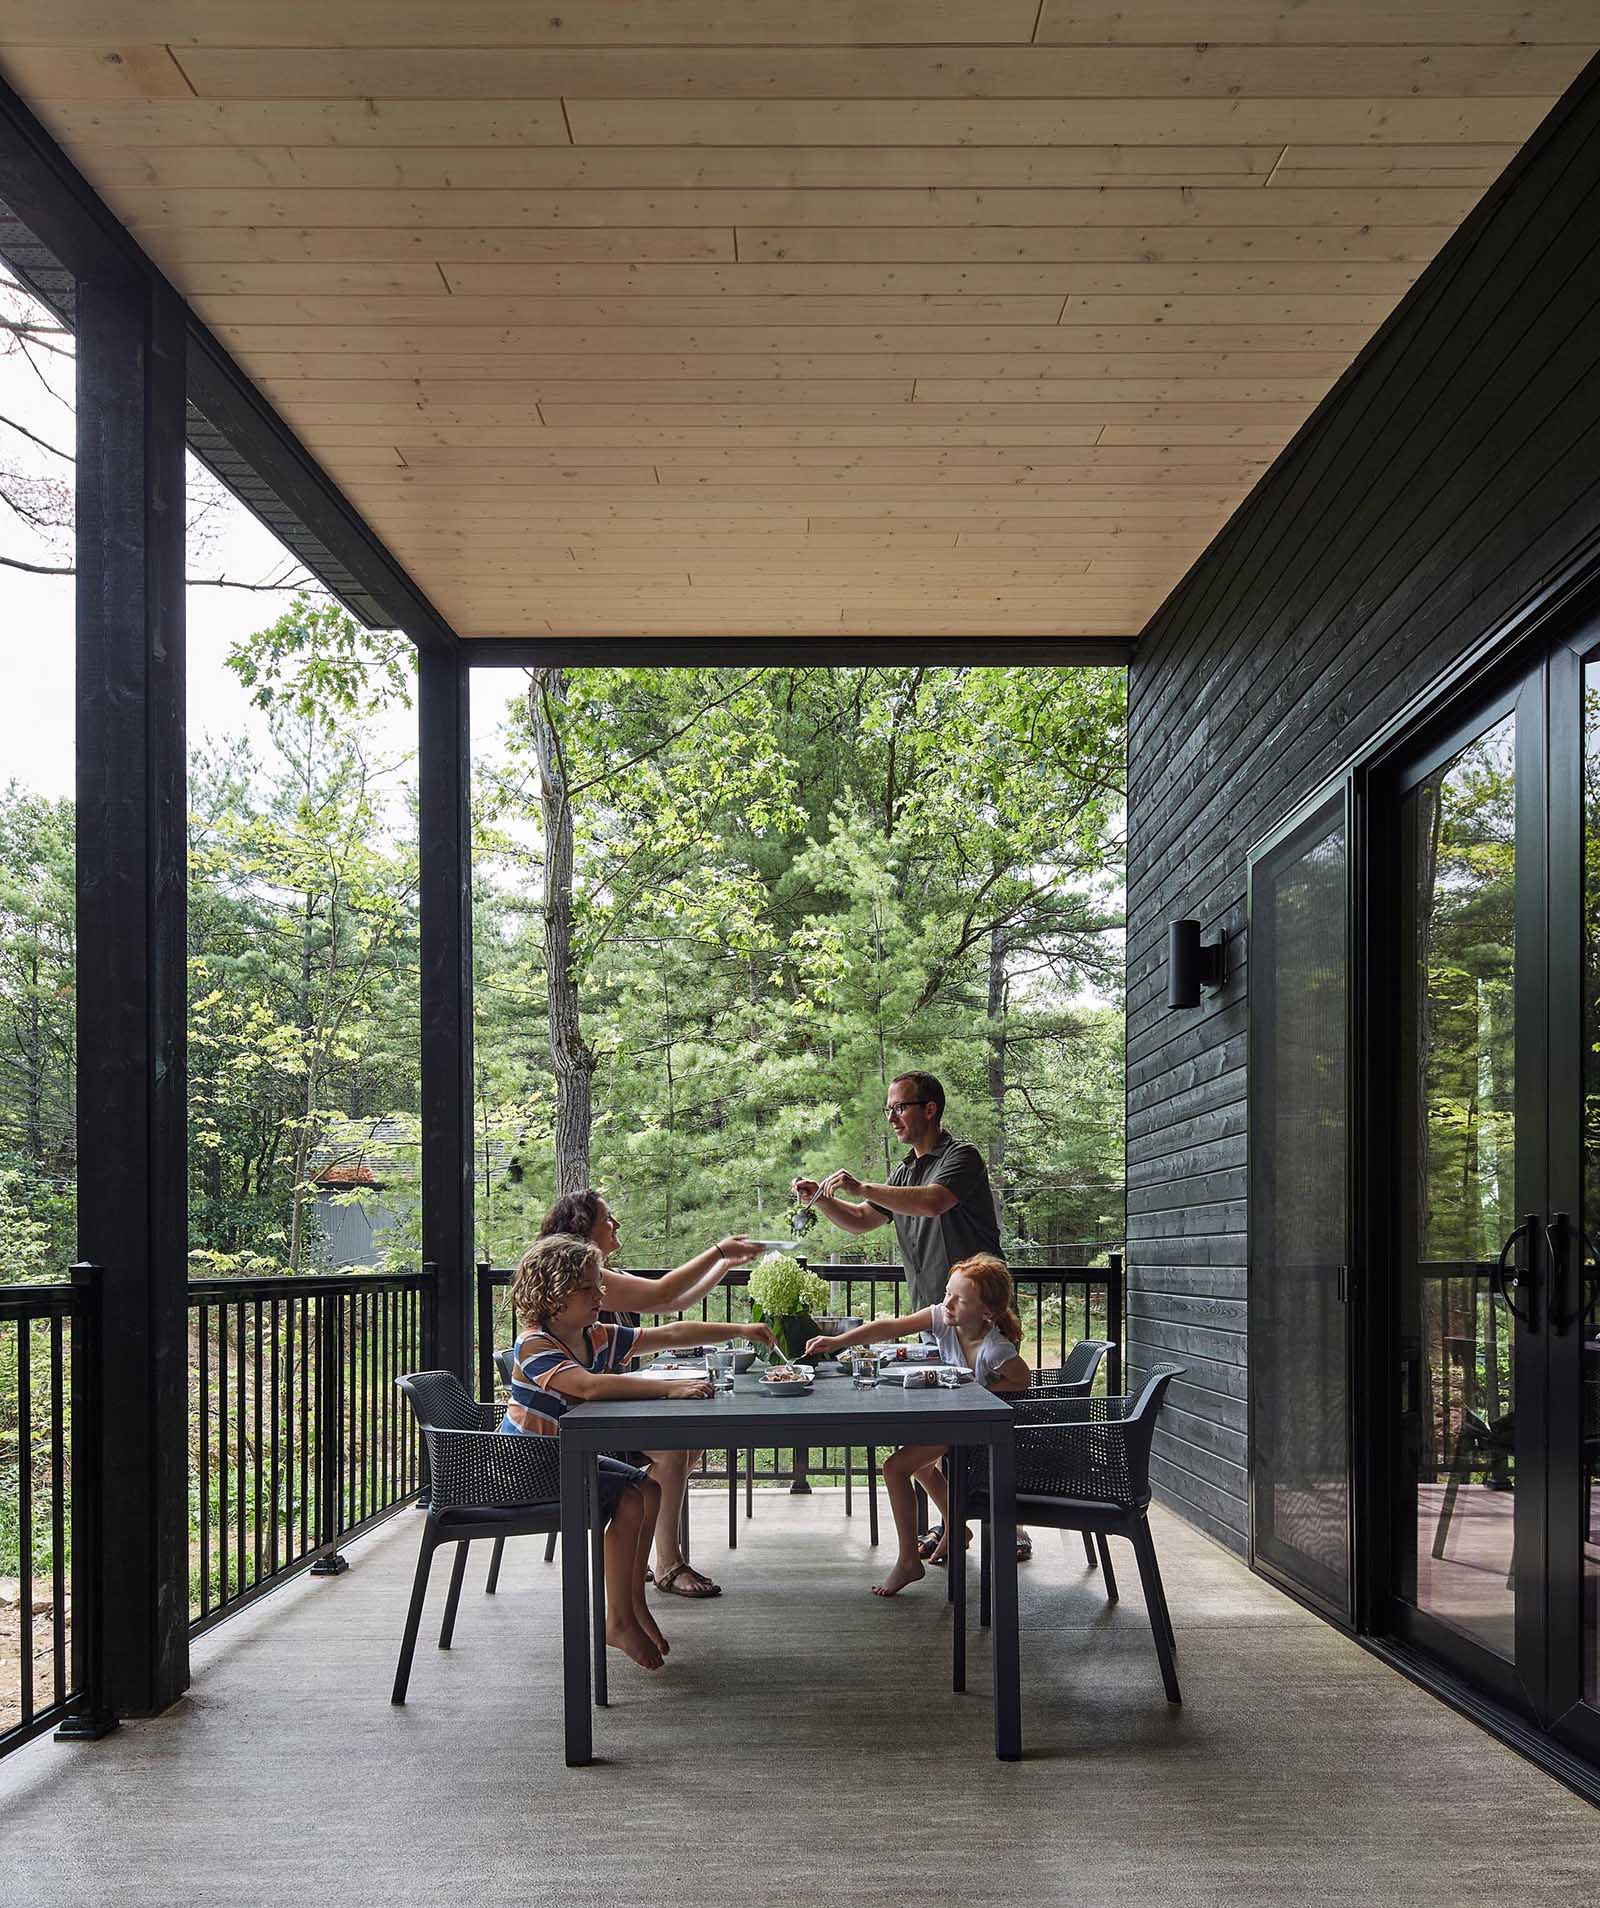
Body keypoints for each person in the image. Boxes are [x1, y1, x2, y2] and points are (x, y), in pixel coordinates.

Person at [500, 1232, 777, 1670]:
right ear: (554, 1296)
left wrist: (738, 1330)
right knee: (632, 1497)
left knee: (648, 1490)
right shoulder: (534, 1344)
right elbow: (588, 1387)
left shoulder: (595, 1336)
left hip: (564, 1459)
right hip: (526, 1469)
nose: (601, 1293)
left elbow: (669, 1333)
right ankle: (620, 1618)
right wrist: (668, 1388)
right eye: (589, 1287)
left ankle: (630, 1608)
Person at [537, 1189, 762, 1597]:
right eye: (608, 1218)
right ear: (582, 1229)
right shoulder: (580, 1279)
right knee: (673, 1450)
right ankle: (666, 1563)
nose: (616, 1225)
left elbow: (674, 1310)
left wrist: (725, 1267)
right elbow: (662, 1298)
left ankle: (636, 1562)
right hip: (557, 1448)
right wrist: (716, 1252)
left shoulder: (594, 1319)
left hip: (588, 1426)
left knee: (681, 1451)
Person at [805, 1253, 1028, 1598]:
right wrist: (837, 1342)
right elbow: (889, 1327)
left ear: (987, 1312)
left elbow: (1022, 1381)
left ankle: (909, 1561)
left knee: (895, 1467)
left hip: (972, 1428)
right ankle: (957, 1528)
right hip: (954, 1419)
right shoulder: (943, 1318)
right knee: (921, 1468)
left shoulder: (994, 1348)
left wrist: (978, 1391)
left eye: (960, 1299)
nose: (947, 1303)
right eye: (947, 1294)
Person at [791, 1070, 1001, 1315]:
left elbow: (933, 1202)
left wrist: (862, 1188)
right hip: (931, 1315)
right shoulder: (904, 1171)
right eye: (888, 1109)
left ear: (930, 1109)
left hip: (980, 1311)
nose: (891, 1118)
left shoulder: (962, 1155)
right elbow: (861, 1219)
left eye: (900, 1107)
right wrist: (821, 1198)